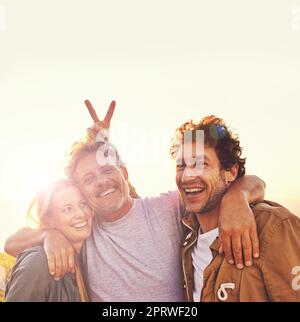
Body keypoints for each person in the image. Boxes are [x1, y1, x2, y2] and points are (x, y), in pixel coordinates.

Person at [4, 101, 266, 301]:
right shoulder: (85, 229)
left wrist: (238, 196)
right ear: (80, 191)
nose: (101, 181)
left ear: (125, 173)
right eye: (89, 179)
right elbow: (11, 243)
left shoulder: (166, 208)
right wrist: (49, 236)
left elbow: (248, 182)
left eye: (108, 170)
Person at [171, 115, 300, 302]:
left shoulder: (272, 227)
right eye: (181, 166)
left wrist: (238, 196)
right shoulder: (184, 231)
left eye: (201, 164)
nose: (187, 177)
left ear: (230, 172)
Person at [5, 180, 91, 302]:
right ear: (49, 219)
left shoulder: (88, 253)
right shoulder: (38, 263)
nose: (81, 214)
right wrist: (48, 234)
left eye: (83, 204)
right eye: (67, 209)